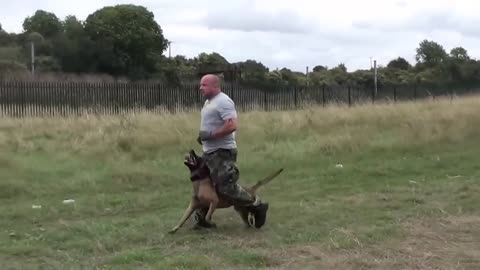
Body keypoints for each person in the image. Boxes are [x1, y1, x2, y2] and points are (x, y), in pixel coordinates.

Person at [193, 74, 269, 228]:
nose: (201, 87)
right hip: (209, 152)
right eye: (201, 85)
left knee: (226, 187)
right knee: (206, 186)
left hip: (222, 152)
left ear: (215, 85)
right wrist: (204, 137)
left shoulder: (224, 101)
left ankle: (257, 205)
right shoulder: (209, 102)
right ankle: (203, 219)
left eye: (204, 84)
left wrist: (212, 135)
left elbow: (232, 125)